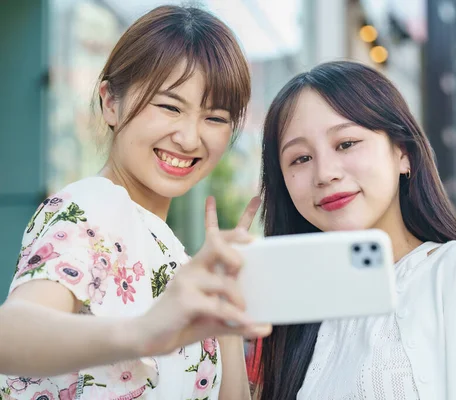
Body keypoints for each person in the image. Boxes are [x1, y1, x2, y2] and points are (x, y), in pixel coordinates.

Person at [0, 5, 270, 400]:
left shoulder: (172, 253)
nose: (190, 138)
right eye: (169, 107)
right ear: (111, 102)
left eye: (214, 118)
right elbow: (11, 333)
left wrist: (226, 315)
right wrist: (142, 333)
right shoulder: (94, 205)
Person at [251, 61, 456, 399]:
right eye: (300, 159)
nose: (325, 173)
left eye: (346, 143)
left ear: (403, 153)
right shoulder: (297, 311)